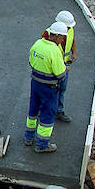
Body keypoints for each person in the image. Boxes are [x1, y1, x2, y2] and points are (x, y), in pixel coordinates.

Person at [25, 23, 68, 154]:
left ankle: (28, 137)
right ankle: (42, 144)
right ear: (58, 36)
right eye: (62, 38)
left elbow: (31, 61)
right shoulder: (54, 50)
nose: (62, 40)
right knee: (47, 114)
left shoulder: (37, 44)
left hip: (35, 83)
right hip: (49, 87)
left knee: (33, 109)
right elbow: (60, 74)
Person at [54, 9, 76, 122]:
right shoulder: (51, 34)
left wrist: (74, 52)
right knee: (52, 89)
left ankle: (59, 110)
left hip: (65, 64)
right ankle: (46, 109)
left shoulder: (70, 29)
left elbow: (73, 40)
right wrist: (63, 67)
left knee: (62, 89)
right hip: (55, 67)